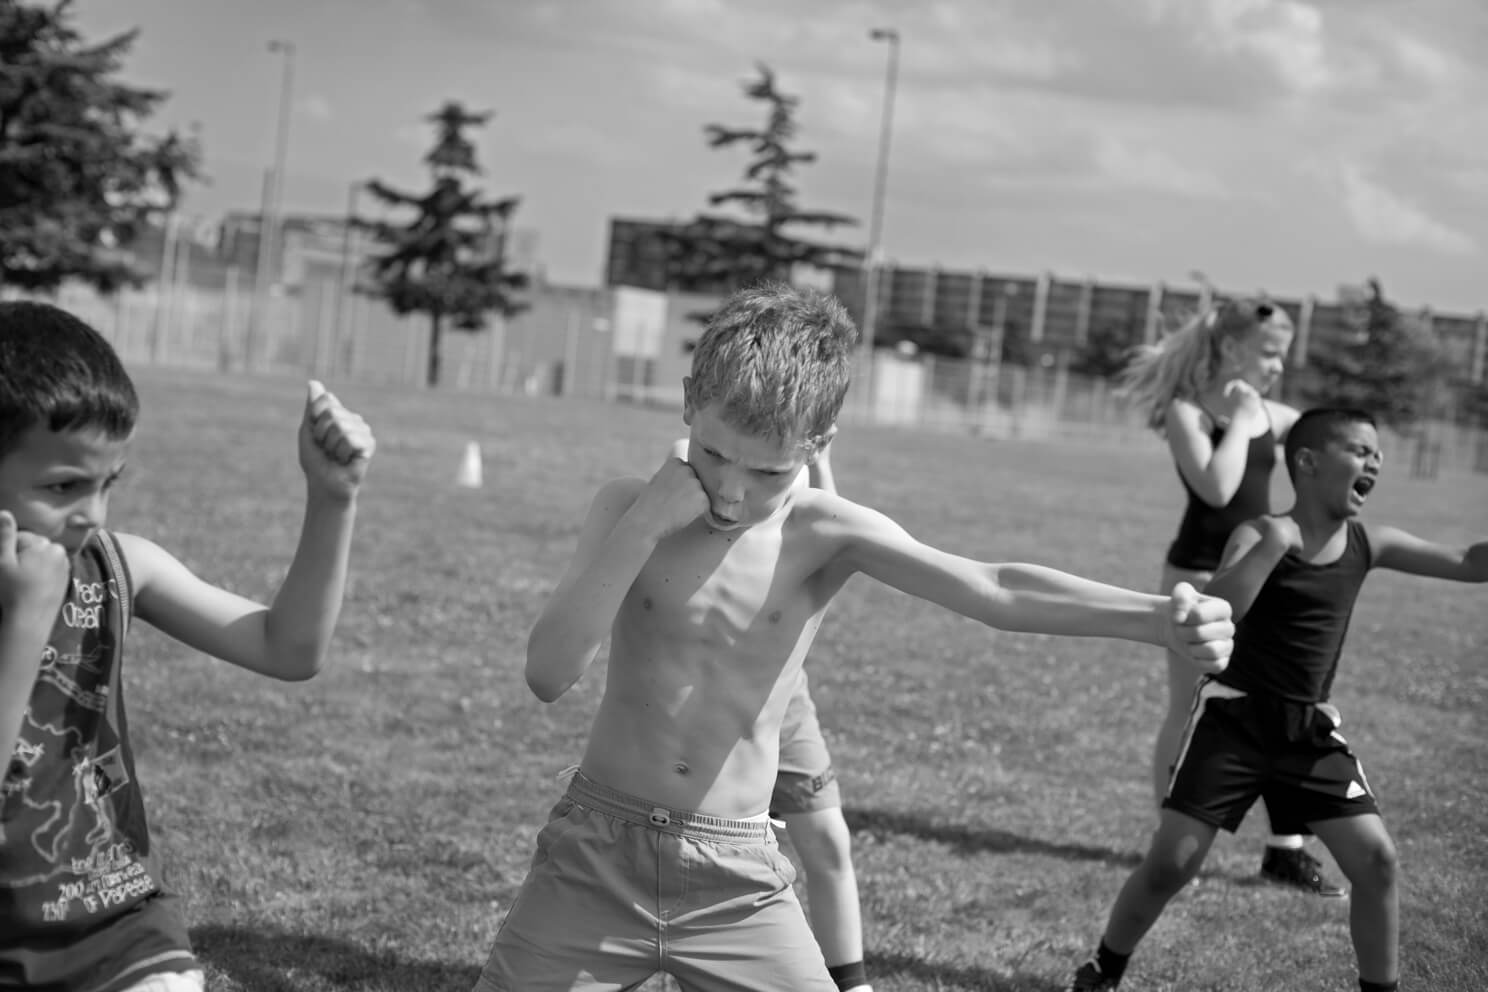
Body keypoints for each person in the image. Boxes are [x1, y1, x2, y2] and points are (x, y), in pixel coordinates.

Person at [473, 282, 1235, 992]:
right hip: (594, 859)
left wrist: (1155, 617)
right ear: (686, 404)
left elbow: (994, 587)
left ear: (818, 443)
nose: (733, 492)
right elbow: (548, 671)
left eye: (768, 472)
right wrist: (643, 525)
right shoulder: (624, 509)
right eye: (712, 455)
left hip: (736, 878)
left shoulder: (823, 533)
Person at [0, 301, 376, 992]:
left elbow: (286, 648)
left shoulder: (118, 566)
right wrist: (25, 623)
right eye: (62, 487)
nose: (93, 515)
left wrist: (333, 498)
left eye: (107, 485)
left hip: (119, 935)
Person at [1067, 407, 1488, 992]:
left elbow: (1472, 563)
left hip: (1308, 731)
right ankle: (1102, 970)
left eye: (1378, 454)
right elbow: (1222, 609)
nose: (1376, 461)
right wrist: (1272, 544)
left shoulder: (1370, 542)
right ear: (1309, 462)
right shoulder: (1261, 531)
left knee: (1378, 862)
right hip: (1232, 720)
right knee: (1172, 863)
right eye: (1361, 450)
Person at [1116, 296, 1342, 897]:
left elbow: (1331, 457)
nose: (1277, 367)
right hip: (1196, 578)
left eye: (1282, 356)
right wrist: (1244, 419)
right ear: (1232, 349)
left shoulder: (1282, 417)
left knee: (1290, 710)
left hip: (1265, 580)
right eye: (1268, 354)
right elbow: (1217, 489)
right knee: (1190, 711)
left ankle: (1286, 850)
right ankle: (1171, 846)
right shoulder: (1186, 412)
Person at [670, 434, 872, 992]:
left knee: (829, 841)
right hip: (704, 697)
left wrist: (821, 460)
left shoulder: (796, 464)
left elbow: (837, 541)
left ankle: (852, 983)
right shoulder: (699, 457)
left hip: (785, 704)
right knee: (693, 850)